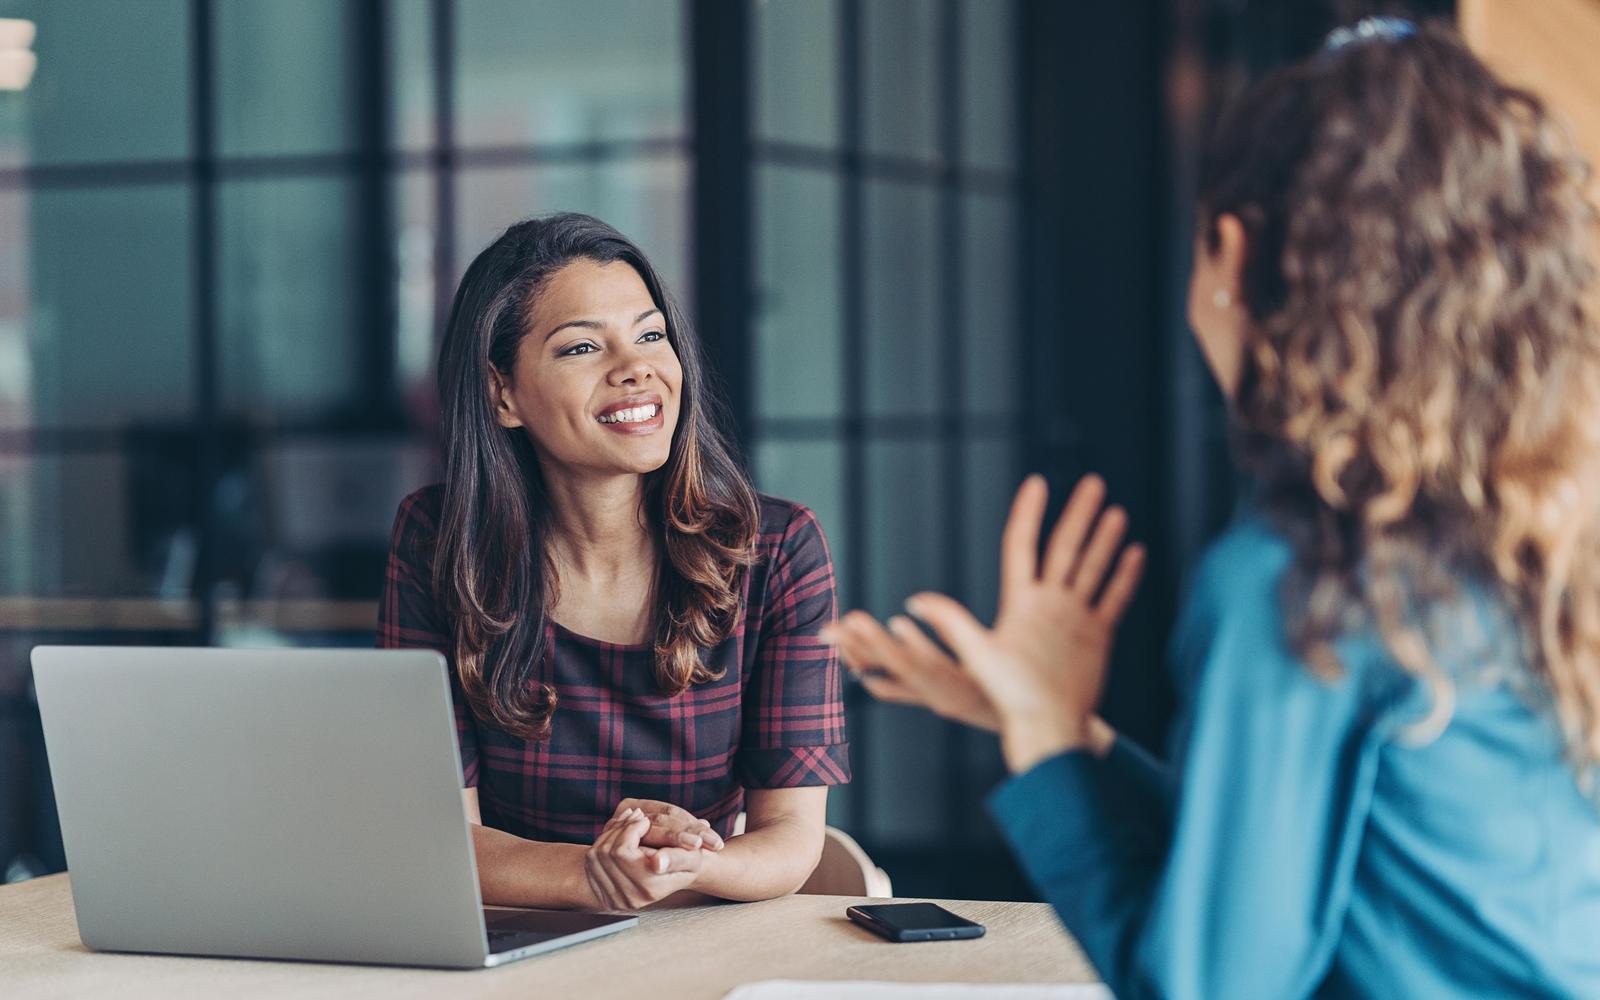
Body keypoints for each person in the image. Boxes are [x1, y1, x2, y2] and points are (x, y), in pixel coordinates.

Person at [828, 18, 1600, 998]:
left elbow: (1206, 984)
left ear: (1229, 252)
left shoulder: (1305, 575)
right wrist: (1067, 734)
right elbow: (1321, 867)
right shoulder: (1535, 532)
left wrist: (1054, 747)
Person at [380, 213, 848, 911]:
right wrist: (594, 874)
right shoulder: (436, 543)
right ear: (502, 393)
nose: (637, 369)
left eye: (651, 334)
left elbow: (790, 836)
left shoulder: (776, 549)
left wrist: (686, 862)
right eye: (580, 349)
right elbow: (440, 832)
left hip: (700, 933)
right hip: (517, 939)